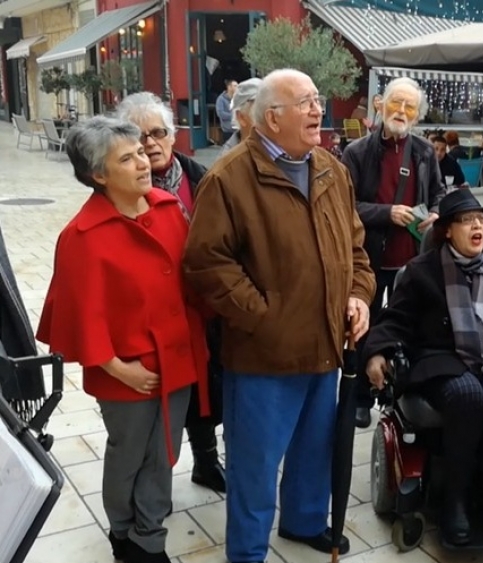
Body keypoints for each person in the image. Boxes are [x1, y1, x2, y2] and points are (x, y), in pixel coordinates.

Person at [182, 68, 375, 563]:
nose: (318, 110)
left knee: (315, 449)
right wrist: (264, 316)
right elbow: (206, 263)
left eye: (317, 100)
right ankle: (247, 553)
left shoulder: (330, 168)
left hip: (326, 347)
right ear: (272, 118)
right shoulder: (229, 179)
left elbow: (355, 244)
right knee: (255, 465)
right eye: (306, 103)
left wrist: (358, 294)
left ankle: (305, 521)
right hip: (264, 356)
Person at [37, 116, 210, 563]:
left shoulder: (169, 209)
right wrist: (118, 368)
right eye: (127, 158)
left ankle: (147, 538)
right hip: (124, 370)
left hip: (176, 360)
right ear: (99, 175)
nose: (143, 162)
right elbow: (76, 314)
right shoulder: (82, 236)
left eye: (141, 152)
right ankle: (121, 529)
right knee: (128, 453)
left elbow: (194, 279)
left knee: (165, 453)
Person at [362, 189, 483, 548]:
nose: (478, 226)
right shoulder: (422, 272)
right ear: (447, 230)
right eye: (468, 221)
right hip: (440, 360)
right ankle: (455, 502)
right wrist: (376, 353)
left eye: (482, 220)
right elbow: (394, 321)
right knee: (466, 395)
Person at [116, 91, 226, 494]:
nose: (149, 144)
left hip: (201, 306)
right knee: (157, 404)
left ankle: (206, 461)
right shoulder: (122, 191)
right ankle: (148, 487)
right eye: (138, 135)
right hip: (152, 314)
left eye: (158, 132)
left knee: (204, 390)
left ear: (172, 134)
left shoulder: (202, 177)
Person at [341, 76, 444, 429]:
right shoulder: (357, 152)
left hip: (412, 259)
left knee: (406, 325)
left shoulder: (425, 151)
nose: (401, 111)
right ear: (379, 104)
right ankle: (359, 397)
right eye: (396, 103)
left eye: (410, 106)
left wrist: (435, 213)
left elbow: (439, 194)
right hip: (368, 258)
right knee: (363, 327)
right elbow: (345, 205)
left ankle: (396, 389)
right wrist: (387, 213)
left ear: (418, 114)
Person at [220, 77, 261, 157]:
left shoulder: (284, 151)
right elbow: (221, 113)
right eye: (261, 110)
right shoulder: (229, 162)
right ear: (241, 117)